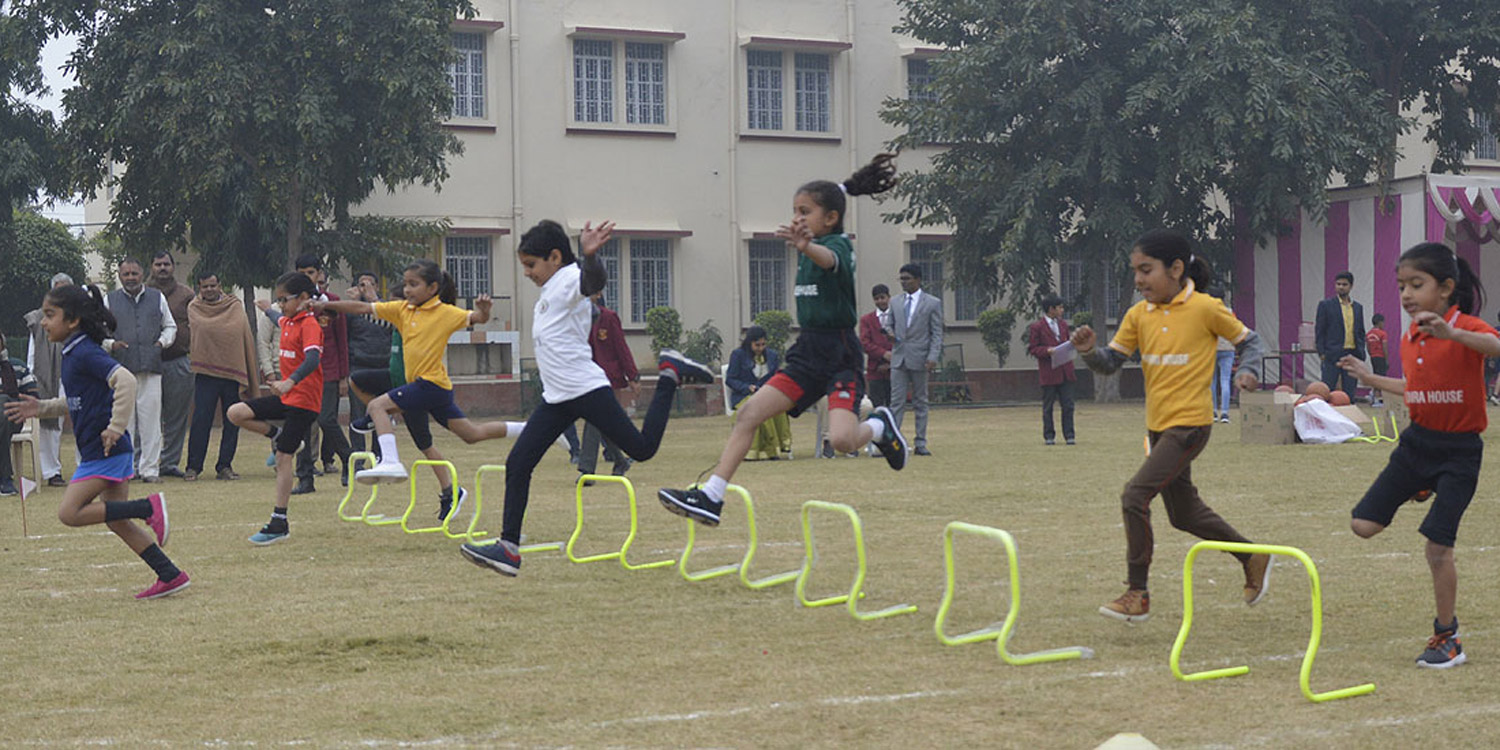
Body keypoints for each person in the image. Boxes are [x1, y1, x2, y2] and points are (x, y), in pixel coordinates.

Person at [657, 155, 908, 527]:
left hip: (839, 355)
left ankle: (879, 427)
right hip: (807, 354)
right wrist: (805, 246)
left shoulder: (838, 247)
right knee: (748, 413)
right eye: (794, 211)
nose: (797, 217)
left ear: (831, 218)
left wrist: (807, 247)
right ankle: (712, 496)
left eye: (805, 211)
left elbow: (829, 261)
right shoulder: (809, 247)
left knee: (841, 440)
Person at [459, 219, 714, 577]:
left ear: (555, 257)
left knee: (642, 449)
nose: (527, 273)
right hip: (558, 398)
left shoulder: (568, 279)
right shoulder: (548, 291)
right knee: (519, 463)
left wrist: (590, 256)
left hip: (585, 390)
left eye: (531, 265)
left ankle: (670, 373)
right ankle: (508, 549)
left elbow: (592, 282)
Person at [1070, 228, 1270, 624]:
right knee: (1183, 514)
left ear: (1176, 269)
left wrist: (1247, 372)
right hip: (1158, 427)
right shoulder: (1137, 315)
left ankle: (1136, 592)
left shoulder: (1206, 308)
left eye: (1147, 270)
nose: (1139, 279)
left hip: (1191, 425)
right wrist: (1090, 352)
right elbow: (1112, 363)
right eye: (1135, 271)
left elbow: (1252, 341)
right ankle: (1252, 555)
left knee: (1134, 496)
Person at [1337, 242, 1499, 669]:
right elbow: (1415, 389)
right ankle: (1422, 483)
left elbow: (1495, 347)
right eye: (1401, 285)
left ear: (1445, 288)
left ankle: (1448, 638)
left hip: (1459, 452)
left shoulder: (1467, 327)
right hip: (1416, 445)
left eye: (1416, 284)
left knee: (1437, 548)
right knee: (1362, 525)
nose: (1406, 294)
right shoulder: (1409, 335)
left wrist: (1454, 335)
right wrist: (1371, 377)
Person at [4, 284, 187, 599]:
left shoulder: (86, 351)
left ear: (72, 320)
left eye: (50, 315)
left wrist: (116, 427)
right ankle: (170, 574)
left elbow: (126, 381)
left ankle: (148, 506)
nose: (44, 322)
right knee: (117, 519)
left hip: (106, 450)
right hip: (100, 449)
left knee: (69, 513)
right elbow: (77, 400)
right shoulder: (73, 351)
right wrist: (42, 407)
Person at [325, 259, 516, 486]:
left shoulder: (445, 313)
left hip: (429, 385)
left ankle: (390, 459)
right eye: (405, 284)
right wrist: (325, 305)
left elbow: (478, 318)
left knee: (377, 406)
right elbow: (363, 308)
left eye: (413, 284)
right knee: (471, 434)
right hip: (420, 388)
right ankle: (530, 429)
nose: (407, 290)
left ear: (432, 288)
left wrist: (484, 311)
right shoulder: (403, 311)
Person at [226, 272, 325, 545]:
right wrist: (267, 308)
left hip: (303, 401)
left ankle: (279, 522)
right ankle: (277, 435)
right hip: (286, 397)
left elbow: (314, 359)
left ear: (304, 298)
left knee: (283, 460)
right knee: (235, 413)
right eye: (279, 300)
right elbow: (276, 318)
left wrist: (289, 381)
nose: (281, 305)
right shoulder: (289, 320)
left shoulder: (309, 325)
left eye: (285, 299)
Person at [103, 258, 176, 483]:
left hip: (150, 368)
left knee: (151, 421)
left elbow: (170, 326)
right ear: (120, 276)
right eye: (126, 274)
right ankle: (127, 469)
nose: (131, 278)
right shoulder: (109, 300)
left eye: (135, 273)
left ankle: (150, 470)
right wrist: (110, 345)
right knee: (125, 422)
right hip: (121, 371)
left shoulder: (157, 298)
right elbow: (99, 331)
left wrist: (161, 344)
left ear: (142, 274)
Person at [184, 272, 258, 481]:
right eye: (205, 286)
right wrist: (218, 331)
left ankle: (224, 466)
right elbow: (204, 330)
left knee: (233, 419)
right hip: (206, 373)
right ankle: (193, 467)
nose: (209, 290)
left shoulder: (234, 305)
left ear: (220, 286)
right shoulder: (194, 307)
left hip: (232, 372)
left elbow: (236, 331)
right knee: (201, 420)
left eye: (212, 285)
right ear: (199, 287)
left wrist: (217, 331)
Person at [294, 254, 351, 493]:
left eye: (310, 272)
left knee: (327, 419)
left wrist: (343, 376)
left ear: (319, 274)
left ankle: (350, 459)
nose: (306, 277)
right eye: (301, 272)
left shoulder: (332, 302)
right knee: (302, 426)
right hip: (302, 373)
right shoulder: (291, 303)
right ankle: (305, 478)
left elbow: (342, 341)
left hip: (327, 371)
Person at [577, 290, 639, 481]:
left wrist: (633, 376)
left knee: (594, 419)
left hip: (607, 378)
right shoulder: (576, 319)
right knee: (604, 422)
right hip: (586, 377)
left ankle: (586, 470)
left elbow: (621, 348)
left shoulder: (609, 318)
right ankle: (620, 460)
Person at [25, 272, 74, 486]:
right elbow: (32, 351)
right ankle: (51, 472)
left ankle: (86, 469)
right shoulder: (39, 318)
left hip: (75, 374)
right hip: (46, 377)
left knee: (82, 420)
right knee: (49, 424)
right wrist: (32, 378)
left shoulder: (80, 316)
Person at [149, 250, 194, 479]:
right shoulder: (144, 294)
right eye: (158, 264)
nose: (162, 268)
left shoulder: (187, 294)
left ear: (173, 267)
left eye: (166, 264)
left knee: (176, 417)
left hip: (178, 362)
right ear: (152, 267)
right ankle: (146, 462)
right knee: (147, 416)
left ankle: (169, 463)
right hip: (148, 364)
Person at [890, 262, 944, 456]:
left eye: (907, 279)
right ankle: (894, 442)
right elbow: (891, 325)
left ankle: (920, 442)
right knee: (896, 402)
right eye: (901, 279)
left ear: (918, 280)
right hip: (898, 358)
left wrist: (933, 356)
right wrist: (889, 334)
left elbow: (937, 333)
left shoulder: (932, 303)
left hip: (921, 358)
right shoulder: (895, 302)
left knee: (921, 402)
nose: (903, 282)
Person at [726, 325, 792, 461]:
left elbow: (776, 377)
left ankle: (774, 448)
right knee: (757, 408)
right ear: (749, 343)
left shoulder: (772, 356)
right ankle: (753, 451)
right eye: (757, 345)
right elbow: (730, 379)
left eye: (763, 344)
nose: (760, 348)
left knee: (777, 407)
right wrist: (747, 388)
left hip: (766, 393)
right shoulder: (738, 355)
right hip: (744, 395)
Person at [342, 271, 391, 455]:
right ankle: (359, 456)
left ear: (377, 287)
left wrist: (373, 299)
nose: (366, 288)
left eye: (370, 284)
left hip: (382, 366)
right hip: (358, 366)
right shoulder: (352, 311)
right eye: (362, 285)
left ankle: (380, 455)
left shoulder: (386, 308)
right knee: (357, 413)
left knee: (380, 412)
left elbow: (391, 328)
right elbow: (345, 339)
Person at [1027, 294, 1076, 445]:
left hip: (1065, 371)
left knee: (1068, 405)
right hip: (1049, 372)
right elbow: (1033, 349)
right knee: (1048, 406)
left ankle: (1069, 435)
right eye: (1059, 307)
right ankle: (1049, 435)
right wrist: (1047, 351)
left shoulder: (1063, 325)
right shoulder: (1037, 327)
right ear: (1051, 309)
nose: (1062, 310)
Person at [1315, 270, 1366, 395]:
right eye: (1338, 284)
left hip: (1352, 354)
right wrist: (1321, 352)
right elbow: (1320, 330)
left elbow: (1360, 331)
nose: (1341, 287)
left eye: (1344, 284)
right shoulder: (1326, 305)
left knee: (1349, 391)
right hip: (1332, 353)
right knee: (1327, 389)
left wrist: (1361, 352)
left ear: (1351, 286)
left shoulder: (1358, 307)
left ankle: (1349, 412)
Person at [0, 343, 40, 495]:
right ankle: (4, 479)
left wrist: (13, 404)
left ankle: (4, 479)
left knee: (3, 403)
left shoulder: (18, 367)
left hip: (14, 419)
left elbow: (34, 398)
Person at [859, 284, 894, 410]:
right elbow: (864, 343)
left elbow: (903, 340)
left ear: (889, 297)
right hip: (875, 370)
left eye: (882, 297)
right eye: (877, 298)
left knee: (894, 406)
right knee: (875, 405)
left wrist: (892, 358)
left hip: (894, 369)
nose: (880, 301)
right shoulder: (866, 320)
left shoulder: (897, 317)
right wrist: (883, 354)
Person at [1367, 313, 1389, 407]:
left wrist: (1372, 354)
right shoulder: (1382, 333)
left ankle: (1372, 395)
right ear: (1380, 323)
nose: (1383, 325)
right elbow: (1385, 348)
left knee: (1376, 376)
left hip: (1373, 357)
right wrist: (1386, 359)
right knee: (1380, 379)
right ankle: (1376, 399)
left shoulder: (1368, 334)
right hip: (1381, 357)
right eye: (1383, 323)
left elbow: (1368, 347)